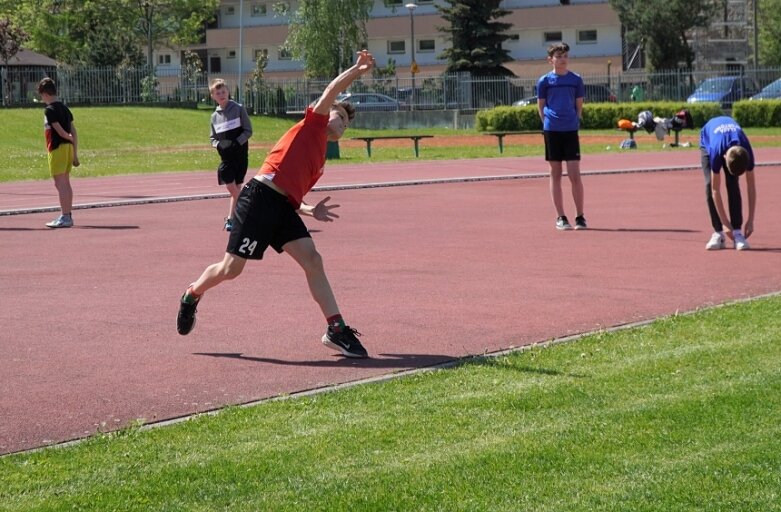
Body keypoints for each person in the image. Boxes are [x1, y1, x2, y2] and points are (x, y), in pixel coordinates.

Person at [176, 50, 375, 359]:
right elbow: (331, 90)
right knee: (231, 270)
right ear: (328, 112)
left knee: (313, 259)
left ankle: (336, 329)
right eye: (341, 117)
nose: (342, 125)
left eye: (347, 125)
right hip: (259, 197)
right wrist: (357, 70)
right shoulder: (313, 124)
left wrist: (310, 210)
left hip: (281, 206)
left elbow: (293, 196)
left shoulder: (320, 162)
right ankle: (191, 295)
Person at [537, 42, 587, 231]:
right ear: (550, 59)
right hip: (552, 130)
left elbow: (579, 105)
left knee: (574, 174)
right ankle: (561, 216)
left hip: (570, 129)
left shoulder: (576, 79)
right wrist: (547, 124)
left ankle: (580, 216)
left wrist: (575, 121)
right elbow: (541, 106)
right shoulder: (544, 81)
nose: (562, 59)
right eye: (558, 56)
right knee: (555, 172)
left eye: (565, 55)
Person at [699, 116, 756, 251]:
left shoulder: (747, 151)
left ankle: (737, 232)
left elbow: (751, 187)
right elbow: (715, 190)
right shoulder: (715, 151)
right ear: (724, 158)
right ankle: (718, 233)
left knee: (732, 183)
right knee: (709, 184)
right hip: (708, 136)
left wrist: (751, 220)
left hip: (729, 141)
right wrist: (724, 224)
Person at [209, 79, 253, 232]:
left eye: (223, 92)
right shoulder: (214, 117)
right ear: (213, 96)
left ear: (228, 92)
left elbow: (248, 131)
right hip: (226, 158)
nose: (221, 95)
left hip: (240, 156)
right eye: (217, 93)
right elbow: (212, 138)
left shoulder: (239, 109)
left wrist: (237, 142)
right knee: (230, 186)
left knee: (237, 187)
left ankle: (231, 219)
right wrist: (218, 145)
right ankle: (250, 210)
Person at [37, 77, 79, 228]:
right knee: (65, 182)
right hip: (67, 148)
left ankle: (65, 216)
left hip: (57, 148)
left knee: (59, 183)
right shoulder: (65, 108)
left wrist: (66, 137)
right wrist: (74, 152)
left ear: (46, 94)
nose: (42, 99)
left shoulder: (49, 110)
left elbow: (59, 130)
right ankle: (67, 214)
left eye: (41, 96)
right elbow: (74, 131)